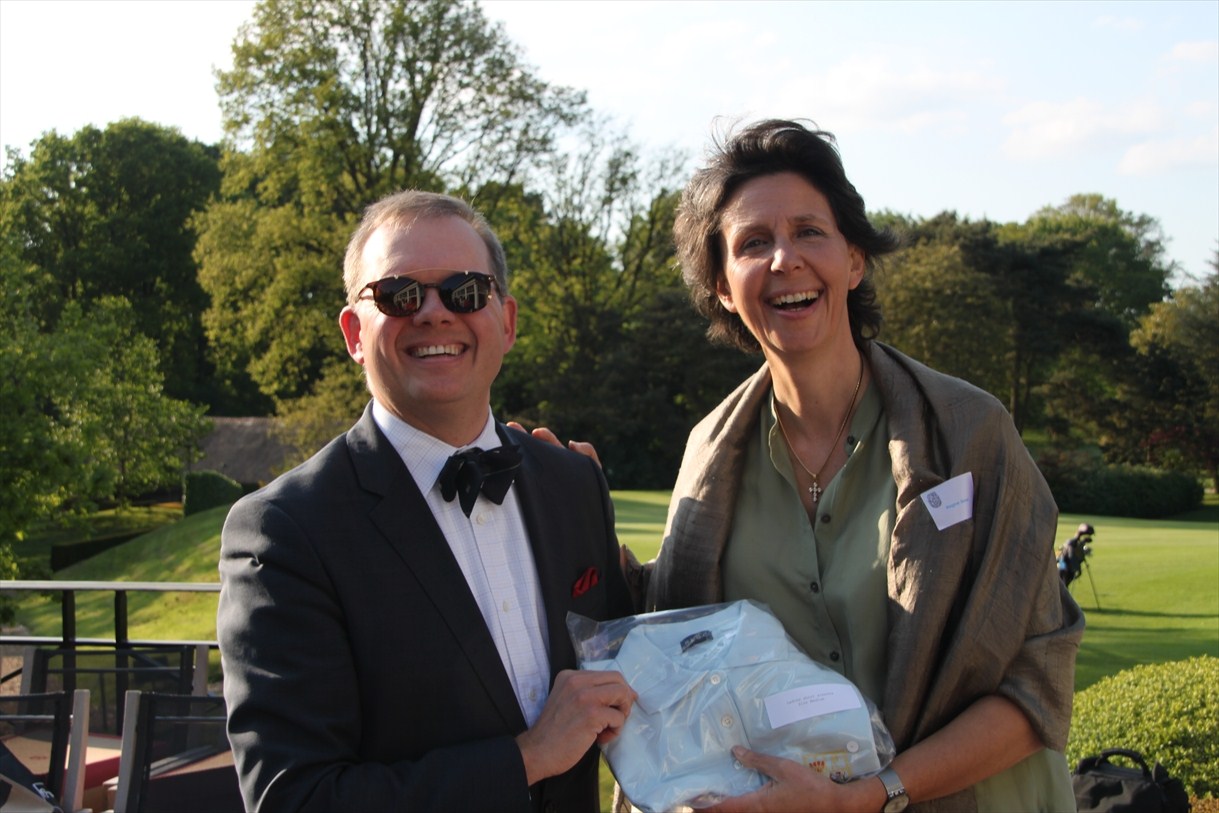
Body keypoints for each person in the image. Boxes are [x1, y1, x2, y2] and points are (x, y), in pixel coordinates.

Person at [641, 119, 1087, 812]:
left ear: (853, 260)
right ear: (722, 287)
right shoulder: (709, 455)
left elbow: (1039, 680)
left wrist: (875, 795)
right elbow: (674, 646)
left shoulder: (970, 433)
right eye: (753, 243)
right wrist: (559, 489)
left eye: (809, 231)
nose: (784, 259)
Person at [216, 190, 637, 812]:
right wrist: (527, 758)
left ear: (507, 321)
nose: (436, 313)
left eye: (466, 291)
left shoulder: (573, 485)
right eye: (400, 294)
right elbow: (296, 799)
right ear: (354, 333)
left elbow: (637, 667)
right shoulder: (285, 530)